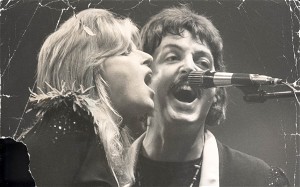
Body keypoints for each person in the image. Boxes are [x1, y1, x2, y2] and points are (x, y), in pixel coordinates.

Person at [127, 6, 290, 186]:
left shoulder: (258, 179)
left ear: (216, 92)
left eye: (202, 62)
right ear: (146, 77)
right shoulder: (104, 175)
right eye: (172, 57)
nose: (190, 67)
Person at [18, 8, 154, 187]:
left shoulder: (80, 133)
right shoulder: (69, 122)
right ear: (91, 68)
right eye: (126, 51)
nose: (148, 57)